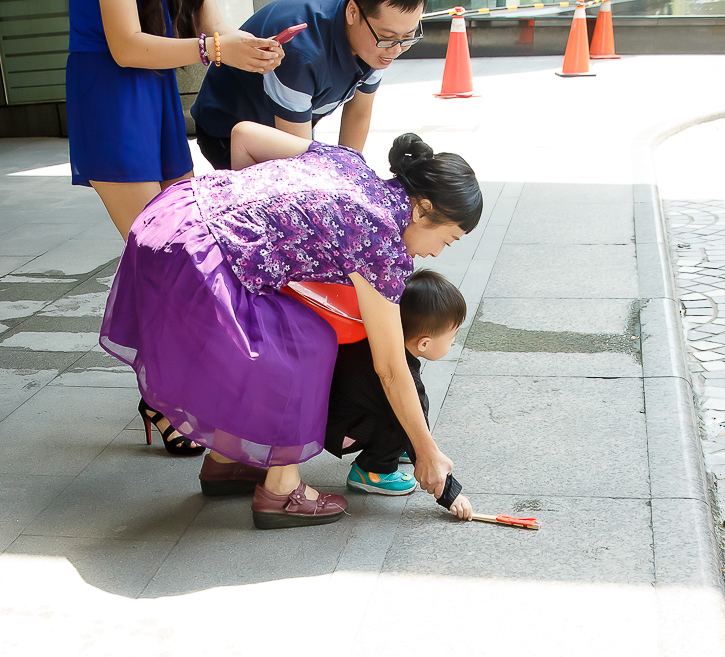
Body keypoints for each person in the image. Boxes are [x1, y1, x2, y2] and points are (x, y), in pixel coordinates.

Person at [99, 123, 482, 528]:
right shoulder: (382, 242)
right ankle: (281, 492)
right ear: (422, 209)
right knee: (306, 342)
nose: (438, 253)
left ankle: (227, 461)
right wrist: (427, 453)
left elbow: (243, 135)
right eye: (448, 239)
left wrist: (259, 230)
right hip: (197, 259)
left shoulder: (350, 163)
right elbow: (389, 367)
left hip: (173, 215)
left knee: (289, 327)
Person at [67, 0, 283, 454]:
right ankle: (164, 396)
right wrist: (218, 49)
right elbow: (126, 45)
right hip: (111, 89)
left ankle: (181, 390)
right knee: (164, 266)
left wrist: (249, 47)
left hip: (155, 84)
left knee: (191, 253)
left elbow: (211, 19)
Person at [191, 0, 425, 170]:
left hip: (293, 123)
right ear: (353, 12)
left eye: (408, 37)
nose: (395, 51)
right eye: (388, 37)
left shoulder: (375, 44)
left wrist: (351, 174)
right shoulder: (302, 50)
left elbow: (358, 114)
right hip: (228, 130)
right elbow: (299, 163)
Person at [325, 269, 474, 520]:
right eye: (453, 335)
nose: (454, 341)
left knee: (402, 413)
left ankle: (390, 450)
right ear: (424, 343)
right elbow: (418, 434)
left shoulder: (379, 338)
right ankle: (372, 471)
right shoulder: (402, 377)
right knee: (407, 418)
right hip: (338, 431)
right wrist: (451, 495)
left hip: (331, 416)